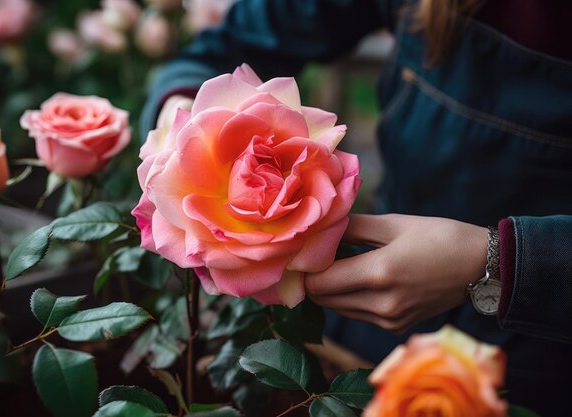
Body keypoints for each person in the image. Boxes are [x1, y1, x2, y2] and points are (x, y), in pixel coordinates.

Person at [141, 1, 572, 415]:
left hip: (547, 362)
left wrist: (501, 261)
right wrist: (177, 133)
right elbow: (227, 46)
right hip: (365, 315)